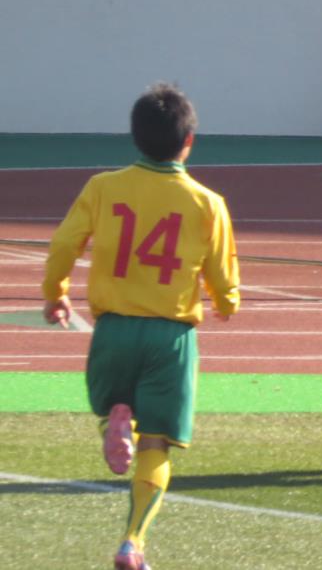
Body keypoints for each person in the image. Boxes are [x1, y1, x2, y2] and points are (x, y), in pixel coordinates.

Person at [42, 83, 241, 569]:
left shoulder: (103, 187)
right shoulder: (207, 203)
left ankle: (115, 417)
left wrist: (56, 293)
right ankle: (132, 542)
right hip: (170, 336)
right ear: (188, 141)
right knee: (158, 443)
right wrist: (226, 302)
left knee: (115, 400)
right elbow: (222, 276)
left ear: (134, 137)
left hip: (113, 329)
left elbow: (64, 244)